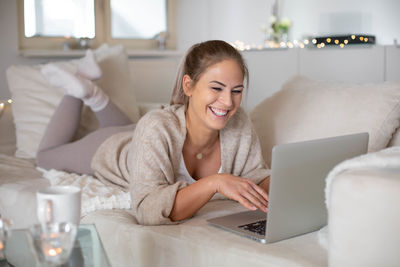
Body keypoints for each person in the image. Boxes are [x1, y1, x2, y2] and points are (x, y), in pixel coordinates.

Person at [37, 40, 270, 225]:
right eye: (216, 88)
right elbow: (148, 210)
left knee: (136, 125)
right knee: (45, 156)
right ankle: (78, 89)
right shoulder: (154, 127)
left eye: (237, 90)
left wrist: (287, 181)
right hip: (113, 149)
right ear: (188, 86)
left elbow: (255, 176)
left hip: (144, 134)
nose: (228, 102)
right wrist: (214, 183)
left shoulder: (238, 122)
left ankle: (92, 92)